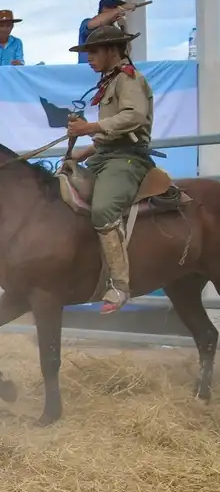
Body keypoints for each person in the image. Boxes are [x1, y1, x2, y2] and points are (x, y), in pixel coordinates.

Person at [65, 24, 153, 313]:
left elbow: (134, 116)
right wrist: (84, 151)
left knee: (103, 209)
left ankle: (119, 285)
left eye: (93, 52)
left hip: (128, 159)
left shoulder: (129, 79)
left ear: (112, 50)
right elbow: (111, 132)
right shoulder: (110, 81)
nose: (88, 58)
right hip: (107, 155)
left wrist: (90, 127)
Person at [77, 0, 131, 65]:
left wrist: (124, 28)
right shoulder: (87, 23)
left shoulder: (115, 30)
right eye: (116, 10)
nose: (120, 13)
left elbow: (126, 51)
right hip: (88, 69)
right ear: (105, 9)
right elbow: (96, 22)